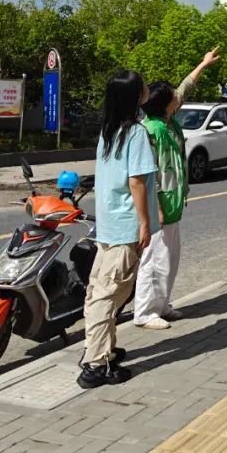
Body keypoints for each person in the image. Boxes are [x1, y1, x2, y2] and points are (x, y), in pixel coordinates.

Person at [78, 70, 158, 389]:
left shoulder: (109, 130)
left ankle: (101, 349)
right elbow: (136, 181)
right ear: (134, 95)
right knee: (110, 296)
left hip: (108, 224)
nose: (147, 87)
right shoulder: (136, 133)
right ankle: (95, 364)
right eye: (142, 85)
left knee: (99, 290)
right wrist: (144, 223)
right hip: (125, 226)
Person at [132, 47, 220, 330]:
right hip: (159, 205)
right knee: (153, 260)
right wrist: (155, 207)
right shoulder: (152, 130)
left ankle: (162, 305)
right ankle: (144, 312)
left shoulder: (168, 121)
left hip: (173, 202)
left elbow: (185, 86)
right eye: (172, 95)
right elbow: (148, 173)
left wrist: (203, 64)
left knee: (169, 258)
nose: (176, 96)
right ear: (164, 104)